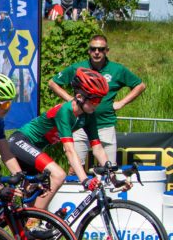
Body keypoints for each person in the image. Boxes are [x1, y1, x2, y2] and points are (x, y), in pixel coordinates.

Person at [9, 68, 114, 213]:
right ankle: (32, 224)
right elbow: (69, 150)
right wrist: (84, 180)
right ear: (80, 97)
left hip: (35, 149)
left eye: (100, 100)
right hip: (21, 141)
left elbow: (97, 148)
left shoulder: (88, 115)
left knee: (32, 198)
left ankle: (19, 229)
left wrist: (114, 177)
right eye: (95, 100)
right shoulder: (65, 111)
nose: (98, 104)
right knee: (58, 175)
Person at [48, 34, 146, 167]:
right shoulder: (78, 68)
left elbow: (140, 85)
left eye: (101, 49)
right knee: (75, 167)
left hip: (105, 124)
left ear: (107, 50)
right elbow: (53, 83)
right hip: (80, 125)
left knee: (109, 167)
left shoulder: (117, 69)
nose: (97, 52)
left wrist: (121, 103)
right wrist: (70, 99)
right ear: (89, 51)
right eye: (93, 49)